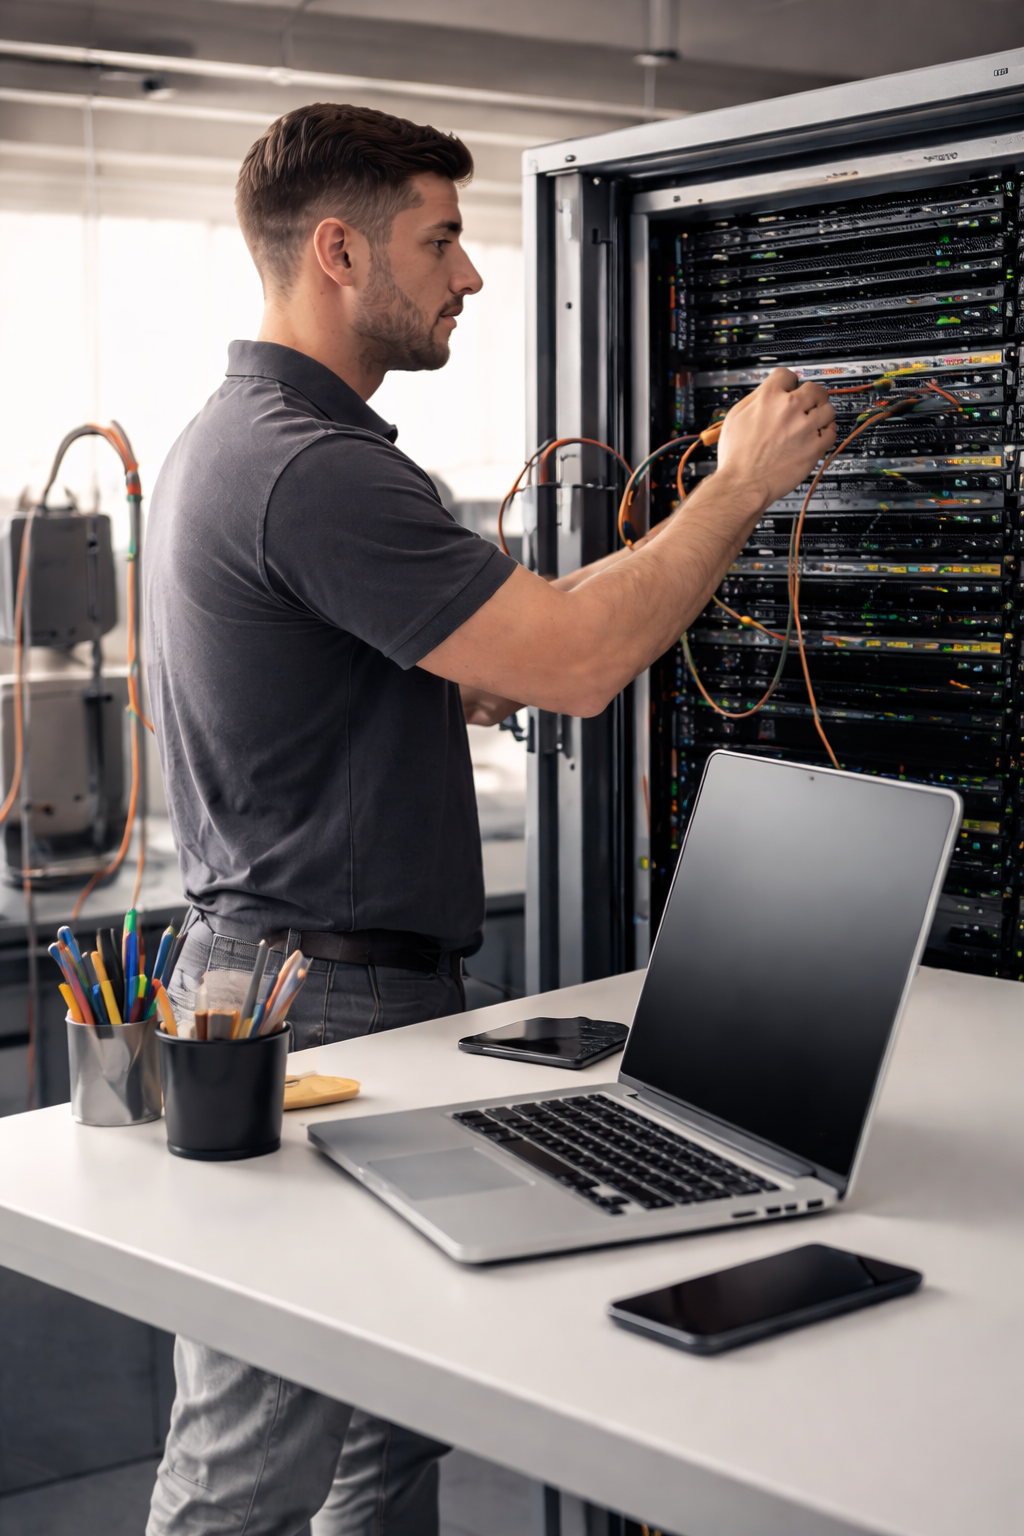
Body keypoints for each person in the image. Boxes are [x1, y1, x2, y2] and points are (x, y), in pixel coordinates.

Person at [144, 102, 834, 1536]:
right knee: (252, 1475)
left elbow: (375, 669)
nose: (468, 275)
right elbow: (580, 664)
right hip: (315, 997)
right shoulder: (312, 465)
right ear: (338, 250)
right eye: (442, 239)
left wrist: (437, 686)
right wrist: (738, 487)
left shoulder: (243, 437)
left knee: (374, 1452)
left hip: (305, 979)